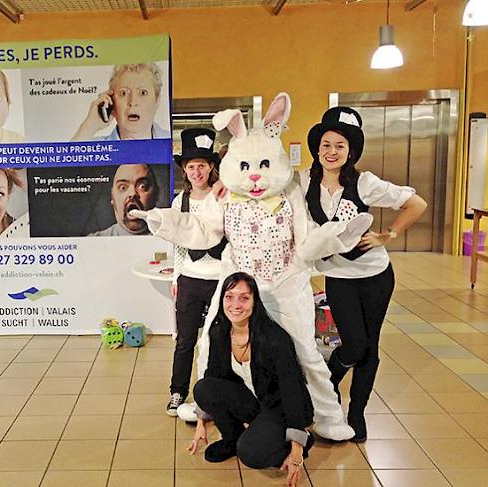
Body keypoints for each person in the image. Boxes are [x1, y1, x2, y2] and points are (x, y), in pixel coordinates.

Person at [302, 106, 427, 442]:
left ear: (350, 151)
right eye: (326, 144)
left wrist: (389, 235)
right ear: (317, 148)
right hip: (339, 277)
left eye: (339, 146)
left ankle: (357, 413)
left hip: (375, 275)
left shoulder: (365, 182)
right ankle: (329, 381)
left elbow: (417, 204)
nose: (331, 152)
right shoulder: (304, 182)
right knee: (353, 344)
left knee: (370, 347)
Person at [189, 272, 314, 487]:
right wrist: (202, 421)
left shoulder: (273, 338)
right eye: (229, 297)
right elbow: (214, 375)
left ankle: (300, 439)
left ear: (255, 302)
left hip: (280, 407)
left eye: (244, 298)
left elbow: (292, 391)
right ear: (222, 300)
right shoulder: (220, 329)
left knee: (251, 455)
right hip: (253, 400)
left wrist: (296, 450)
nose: (235, 305)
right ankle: (232, 438)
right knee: (203, 388)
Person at [166, 128, 225, 416]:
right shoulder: (180, 202)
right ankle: (178, 391)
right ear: (185, 170)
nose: (197, 171)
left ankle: (214, 393)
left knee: (218, 339)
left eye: (202, 165)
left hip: (220, 279)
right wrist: (176, 276)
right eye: (191, 166)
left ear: (211, 166)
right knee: (185, 339)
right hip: (190, 279)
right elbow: (178, 243)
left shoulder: (223, 197)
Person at [71, 63, 170, 141]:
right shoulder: (96, 148)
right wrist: (89, 126)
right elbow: (68, 163)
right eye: (123, 93)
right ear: (111, 101)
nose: (132, 102)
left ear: (157, 100)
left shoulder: (171, 141)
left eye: (143, 93)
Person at [89, 163, 160, 236]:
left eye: (142, 186)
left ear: (156, 193)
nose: (132, 194)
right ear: (112, 197)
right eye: (123, 187)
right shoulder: (92, 241)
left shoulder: (170, 237)